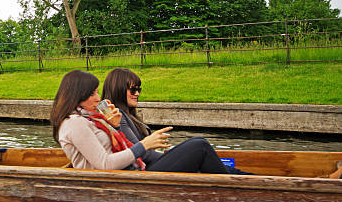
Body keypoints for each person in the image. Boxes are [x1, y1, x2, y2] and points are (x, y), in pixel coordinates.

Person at [50, 70, 229, 173]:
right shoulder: (74, 123)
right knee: (199, 146)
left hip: (131, 173)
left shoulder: (91, 119)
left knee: (199, 145)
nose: (98, 98)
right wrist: (144, 145)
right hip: (118, 182)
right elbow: (105, 164)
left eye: (97, 92)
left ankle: (237, 180)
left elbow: (117, 148)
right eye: (92, 93)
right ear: (76, 95)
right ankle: (232, 187)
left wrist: (116, 126)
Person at [102, 68, 250, 174]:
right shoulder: (118, 117)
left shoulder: (129, 115)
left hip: (152, 165)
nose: (137, 94)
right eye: (133, 90)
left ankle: (249, 179)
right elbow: (140, 154)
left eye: (139, 89)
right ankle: (236, 188)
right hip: (145, 173)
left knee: (206, 153)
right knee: (200, 145)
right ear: (119, 90)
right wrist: (174, 156)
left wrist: (175, 154)